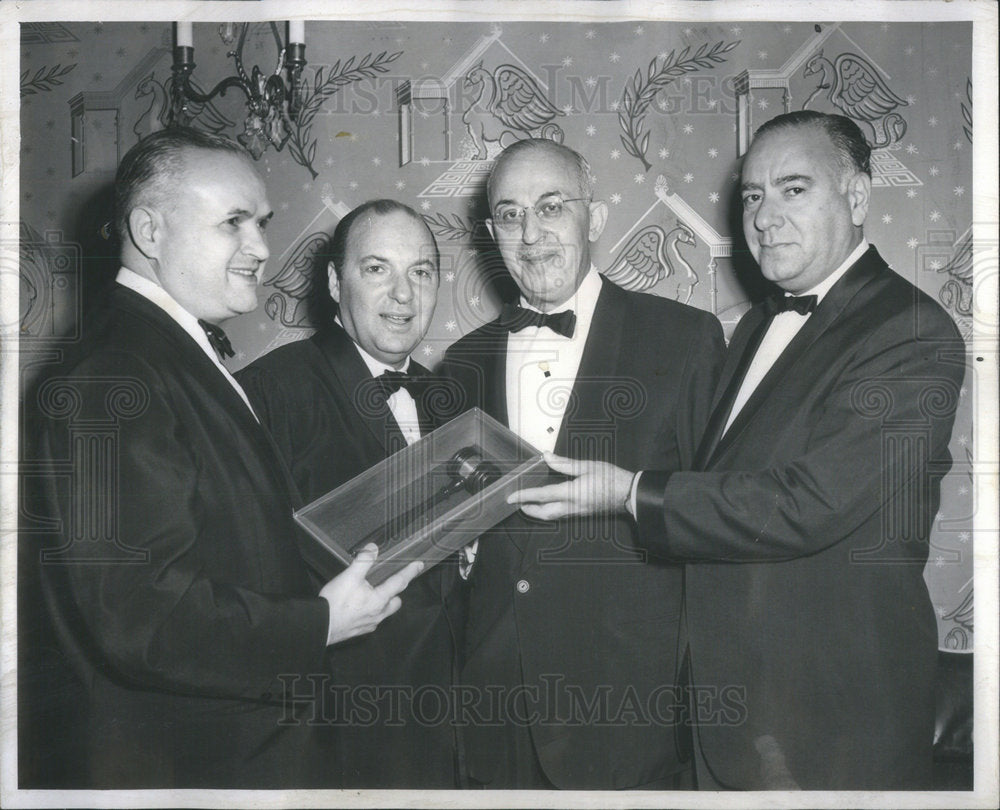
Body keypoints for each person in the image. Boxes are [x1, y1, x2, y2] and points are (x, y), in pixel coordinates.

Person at [509, 112, 966, 789]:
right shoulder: (755, 326)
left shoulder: (911, 330)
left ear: (859, 197)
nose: (764, 217)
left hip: (827, 727)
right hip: (727, 719)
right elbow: (717, 488)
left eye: (794, 189)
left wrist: (630, 490)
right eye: (752, 196)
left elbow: (810, 504)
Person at [22, 128, 421, 788]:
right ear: (150, 231)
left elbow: (224, 543)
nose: (262, 248)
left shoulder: (162, 354)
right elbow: (141, 615)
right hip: (193, 767)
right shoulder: (113, 373)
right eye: (233, 223)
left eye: (260, 223)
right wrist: (320, 623)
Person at [436, 138, 726, 789]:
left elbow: (716, 510)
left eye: (551, 207)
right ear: (491, 233)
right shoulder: (461, 362)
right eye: (510, 215)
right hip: (495, 711)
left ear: (593, 219)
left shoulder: (684, 339)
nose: (530, 234)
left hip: (628, 714)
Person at [236, 199, 461, 787]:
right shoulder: (266, 391)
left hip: (453, 730)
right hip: (334, 736)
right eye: (377, 269)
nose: (404, 295)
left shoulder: (452, 397)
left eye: (421, 272)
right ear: (336, 283)